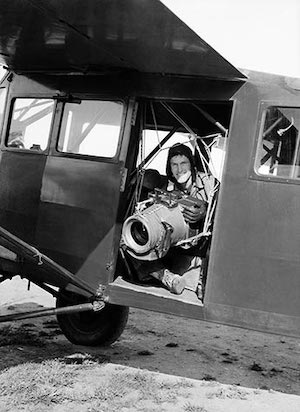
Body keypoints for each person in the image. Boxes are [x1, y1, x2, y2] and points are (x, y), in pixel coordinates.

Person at [126, 143, 215, 299]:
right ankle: (166, 277)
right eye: (174, 165)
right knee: (128, 242)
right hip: (170, 244)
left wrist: (206, 211)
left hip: (197, 248)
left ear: (192, 164)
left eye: (183, 163)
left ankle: (200, 282)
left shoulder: (209, 184)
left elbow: (227, 216)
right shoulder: (167, 185)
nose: (179, 169)